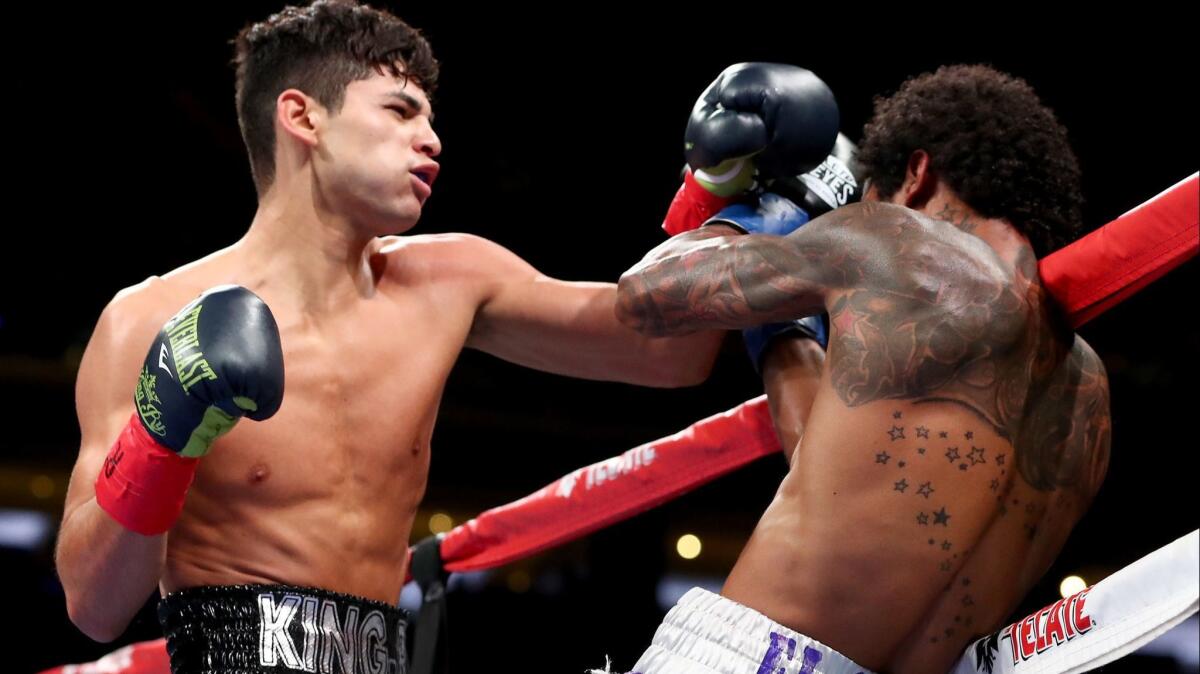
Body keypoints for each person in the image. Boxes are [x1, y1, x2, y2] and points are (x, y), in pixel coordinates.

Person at [54, 2, 725, 671]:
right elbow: (94, 604)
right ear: (302, 116)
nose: (431, 138)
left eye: (430, 118)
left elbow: (672, 353)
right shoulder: (150, 317)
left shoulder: (451, 281)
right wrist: (159, 434)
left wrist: (719, 194)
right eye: (400, 111)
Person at [616, 63, 1111, 673]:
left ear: (916, 173)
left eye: (864, 198)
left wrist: (730, 193)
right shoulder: (1087, 392)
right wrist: (782, 330)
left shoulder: (895, 239)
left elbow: (645, 295)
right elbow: (836, 479)